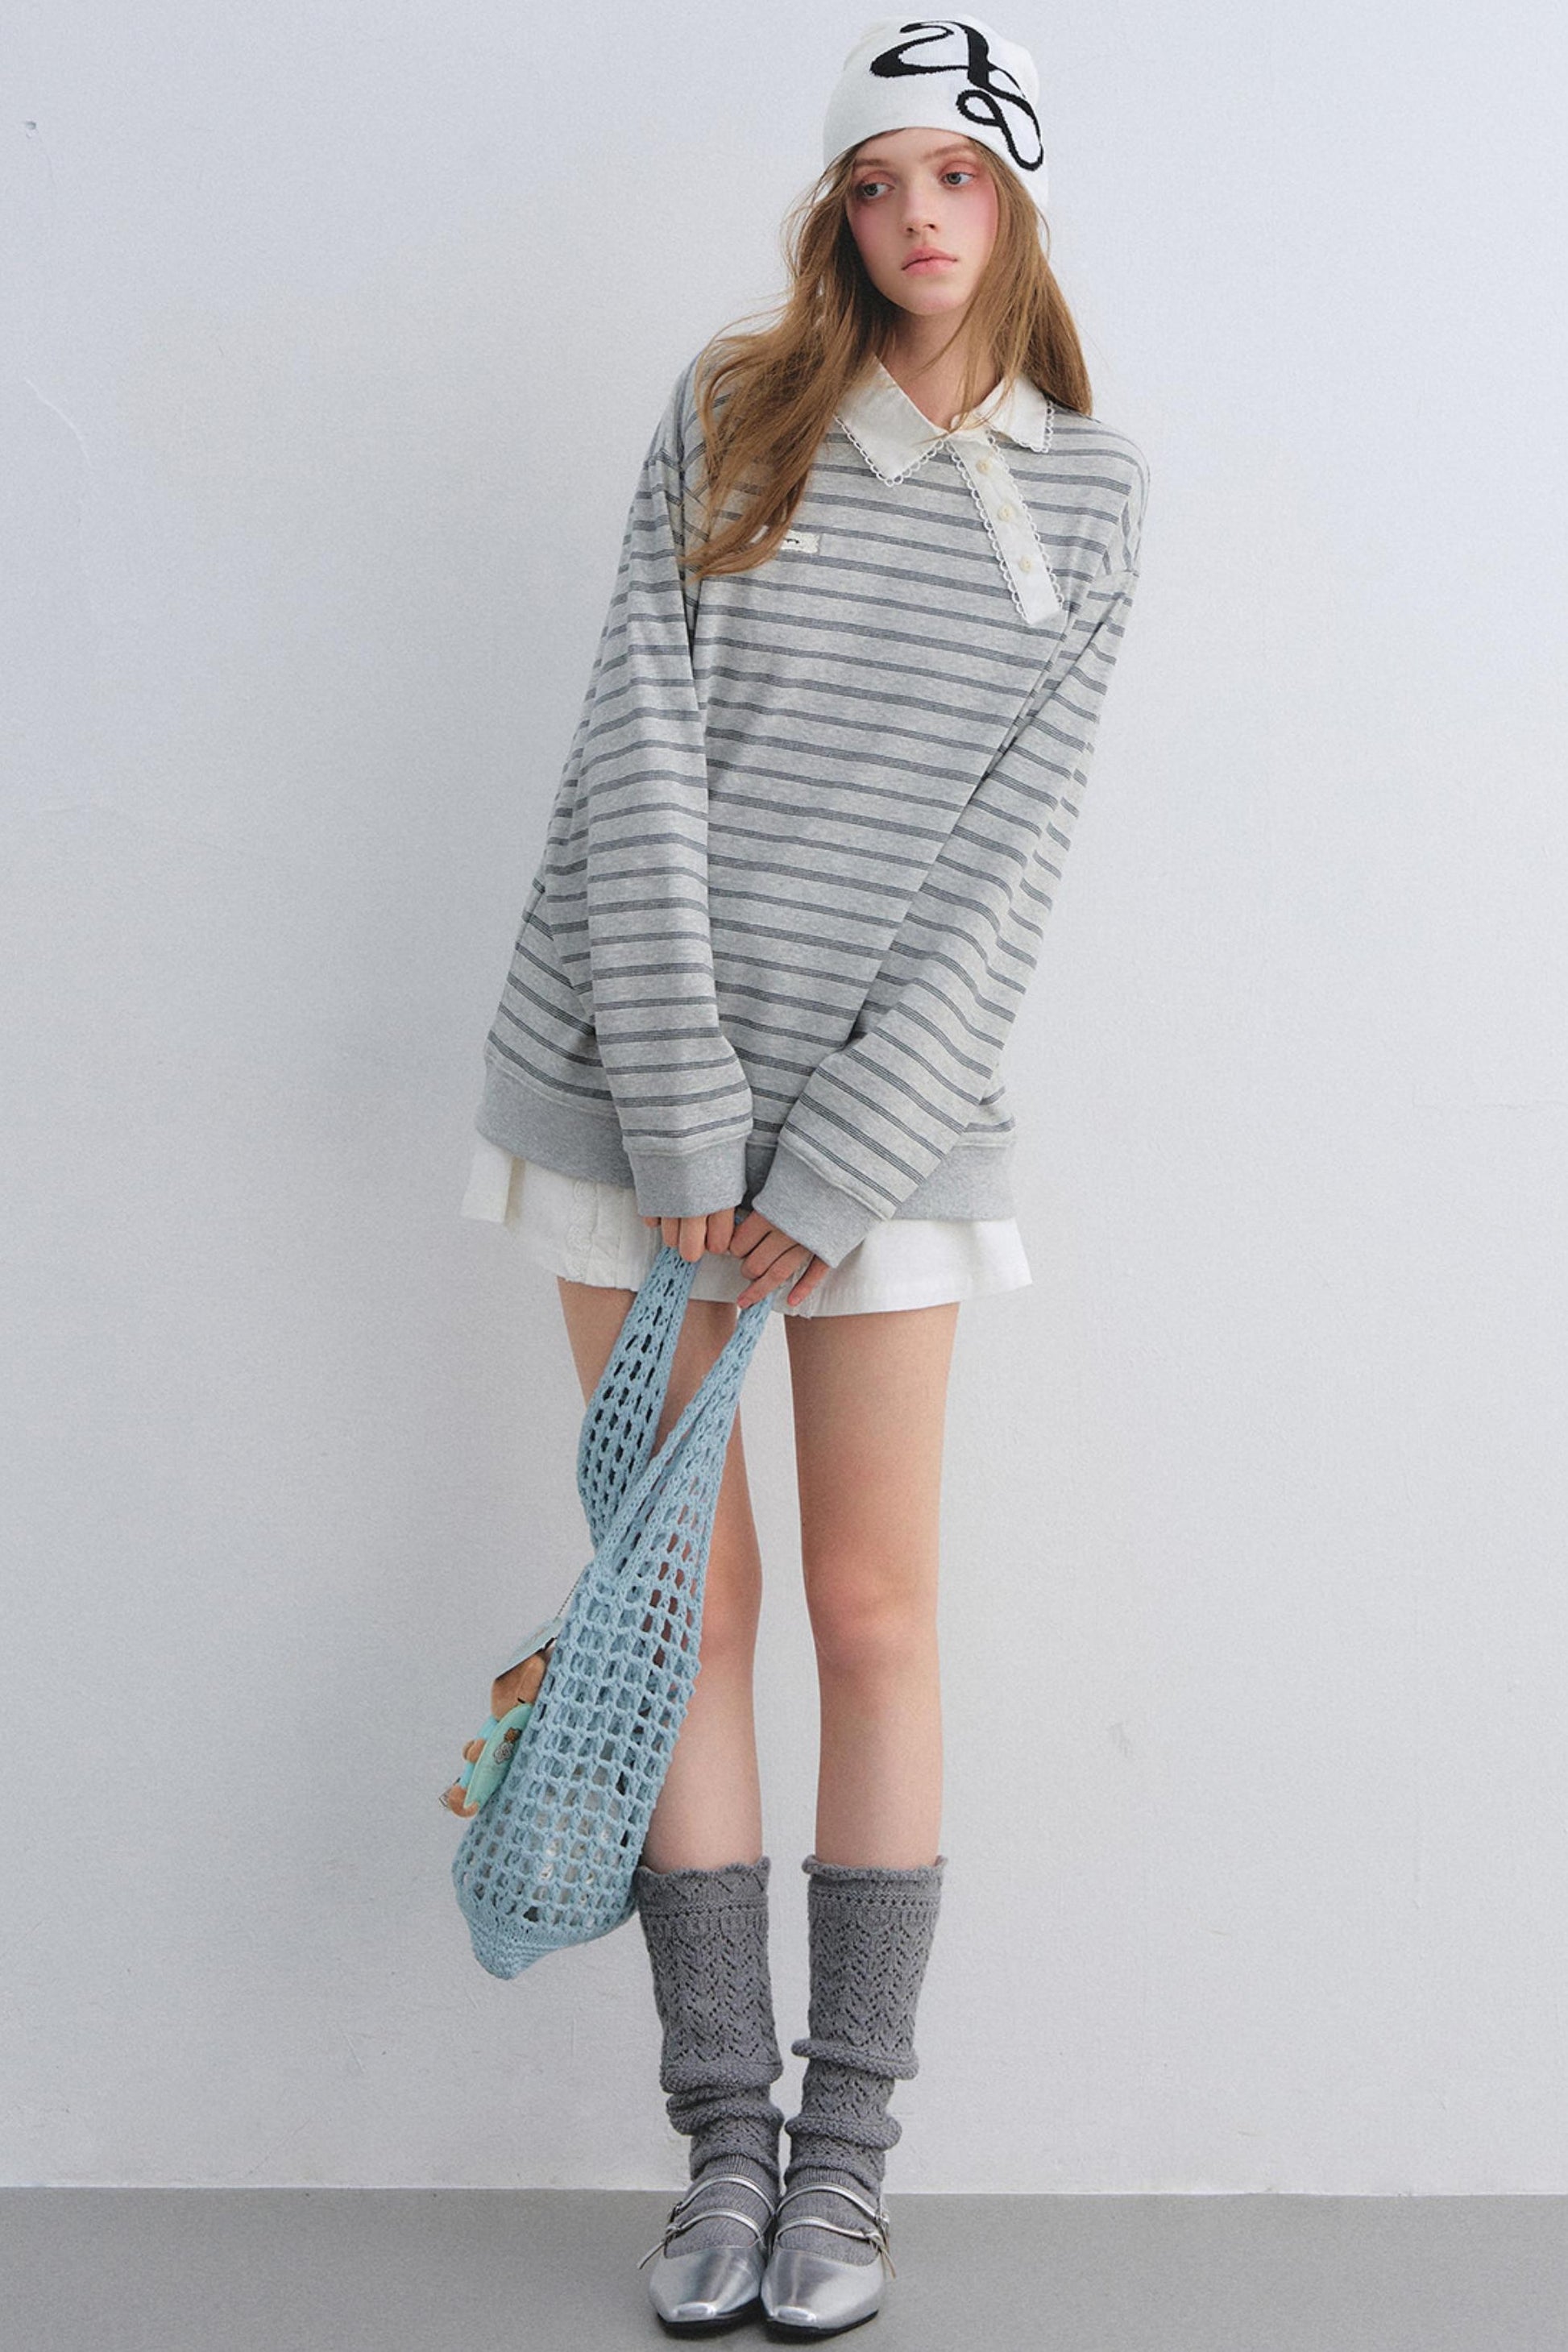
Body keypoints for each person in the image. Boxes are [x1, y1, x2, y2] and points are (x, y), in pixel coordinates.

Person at [456, 13, 1149, 2334]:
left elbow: (1010, 865)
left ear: (1014, 203)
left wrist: (831, 1162)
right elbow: (633, 752)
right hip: (628, 1094)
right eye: (874, 181)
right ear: (833, 213)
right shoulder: (732, 409)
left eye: (955, 177)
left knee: (872, 1613)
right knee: (685, 1606)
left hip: (891, 1131)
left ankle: (846, 2163)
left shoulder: (1092, 493)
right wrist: (684, 1131)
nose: (913, 218)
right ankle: (721, 2153)